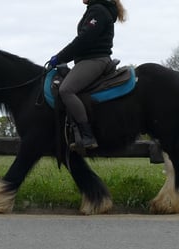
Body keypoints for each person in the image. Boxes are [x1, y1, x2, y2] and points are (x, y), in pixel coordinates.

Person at [49, 0, 126, 149]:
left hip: (95, 60)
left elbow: (84, 40)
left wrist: (60, 57)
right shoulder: (95, 9)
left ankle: (87, 136)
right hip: (88, 60)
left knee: (66, 90)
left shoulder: (98, 11)